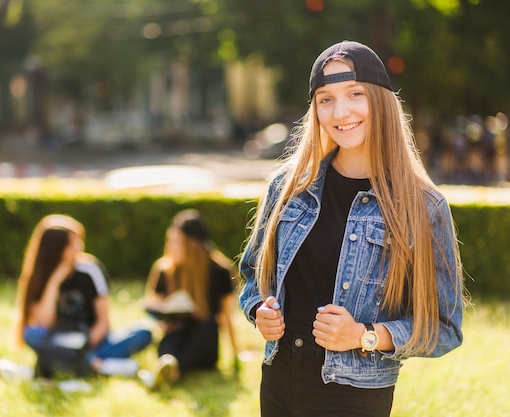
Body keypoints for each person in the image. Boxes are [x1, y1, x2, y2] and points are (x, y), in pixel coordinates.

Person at [238, 40, 466, 417]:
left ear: (380, 100)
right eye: (325, 99)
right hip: (278, 380)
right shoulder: (287, 186)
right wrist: (259, 308)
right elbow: (252, 275)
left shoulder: (423, 207)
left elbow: (444, 328)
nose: (340, 111)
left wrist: (364, 335)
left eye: (354, 94)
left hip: (354, 396)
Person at [14, 214, 152, 378]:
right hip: (58, 341)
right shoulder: (39, 276)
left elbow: (103, 323)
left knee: (144, 332)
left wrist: (81, 348)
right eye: (73, 244)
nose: (80, 247)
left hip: (94, 341)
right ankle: (99, 366)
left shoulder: (91, 270)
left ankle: (79, 362)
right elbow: (45, 322)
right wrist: (54, 282)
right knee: (31, 333)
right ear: (56, 249)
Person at [139, 209, 239, 389]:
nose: (173, 247)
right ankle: (167, 366)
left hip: (203, 349)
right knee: (174, 333)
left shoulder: (220, 271)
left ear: (194, 245)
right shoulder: (164, 270)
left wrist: (236, 356)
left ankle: (173, 371)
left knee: (209, 325)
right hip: (176, 340)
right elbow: (157, 310)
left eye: (179, 242)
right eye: (172, 242)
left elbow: (227, 318)